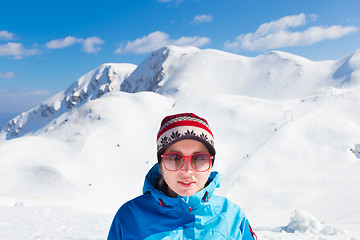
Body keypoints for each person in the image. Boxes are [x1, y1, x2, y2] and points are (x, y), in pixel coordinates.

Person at [107, 113, 257, 240]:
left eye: (199, 159)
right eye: (174, 158)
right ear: (160, 165)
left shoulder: (232, 217)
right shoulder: (129, 218)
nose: (187, 170)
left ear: (210, 165)